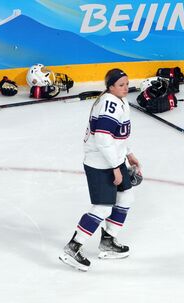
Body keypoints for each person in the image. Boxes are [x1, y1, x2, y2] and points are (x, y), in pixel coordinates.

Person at [59, 68, 142, 272]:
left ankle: (108, 241)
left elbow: (117, 135)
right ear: (110, 86)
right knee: (103, 207)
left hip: (114, 158)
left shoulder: (118, 101)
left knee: (126, 197)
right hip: (100, 162)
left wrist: (128, 153)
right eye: (120, 85)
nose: (125, 88)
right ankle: (73, 247)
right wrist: (116, 168)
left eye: (126, 83)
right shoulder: (109, 104)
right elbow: (103, 139)